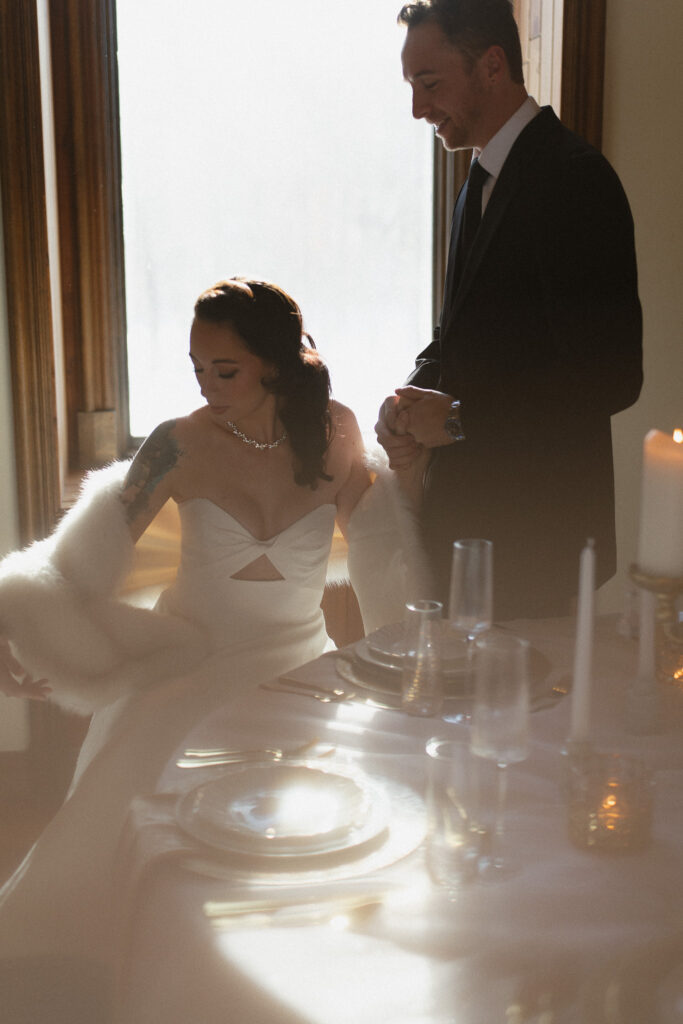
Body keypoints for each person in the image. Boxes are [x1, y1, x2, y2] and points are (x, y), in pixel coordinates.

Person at [0, 277, 425, 1016]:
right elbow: (73, 570)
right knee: (125, 815)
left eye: (222, 370)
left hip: (301, 667)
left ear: (275, 363)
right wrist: (36, 637)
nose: (205, 385)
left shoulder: (337, 431)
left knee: (333, 834)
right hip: (187, 662)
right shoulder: (178, 443)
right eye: (195, 368)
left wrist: (408, 489)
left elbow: (385, 558)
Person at [376, 0, 643, 620]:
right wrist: (411, 394)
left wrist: (463, 419)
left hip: (540, 543)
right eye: (412, 86)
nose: (418, 108)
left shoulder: (576, 179)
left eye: (430, 83)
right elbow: (460, 335)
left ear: (492, 65)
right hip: (467, 533)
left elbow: (613, 376)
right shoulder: (477, 179)